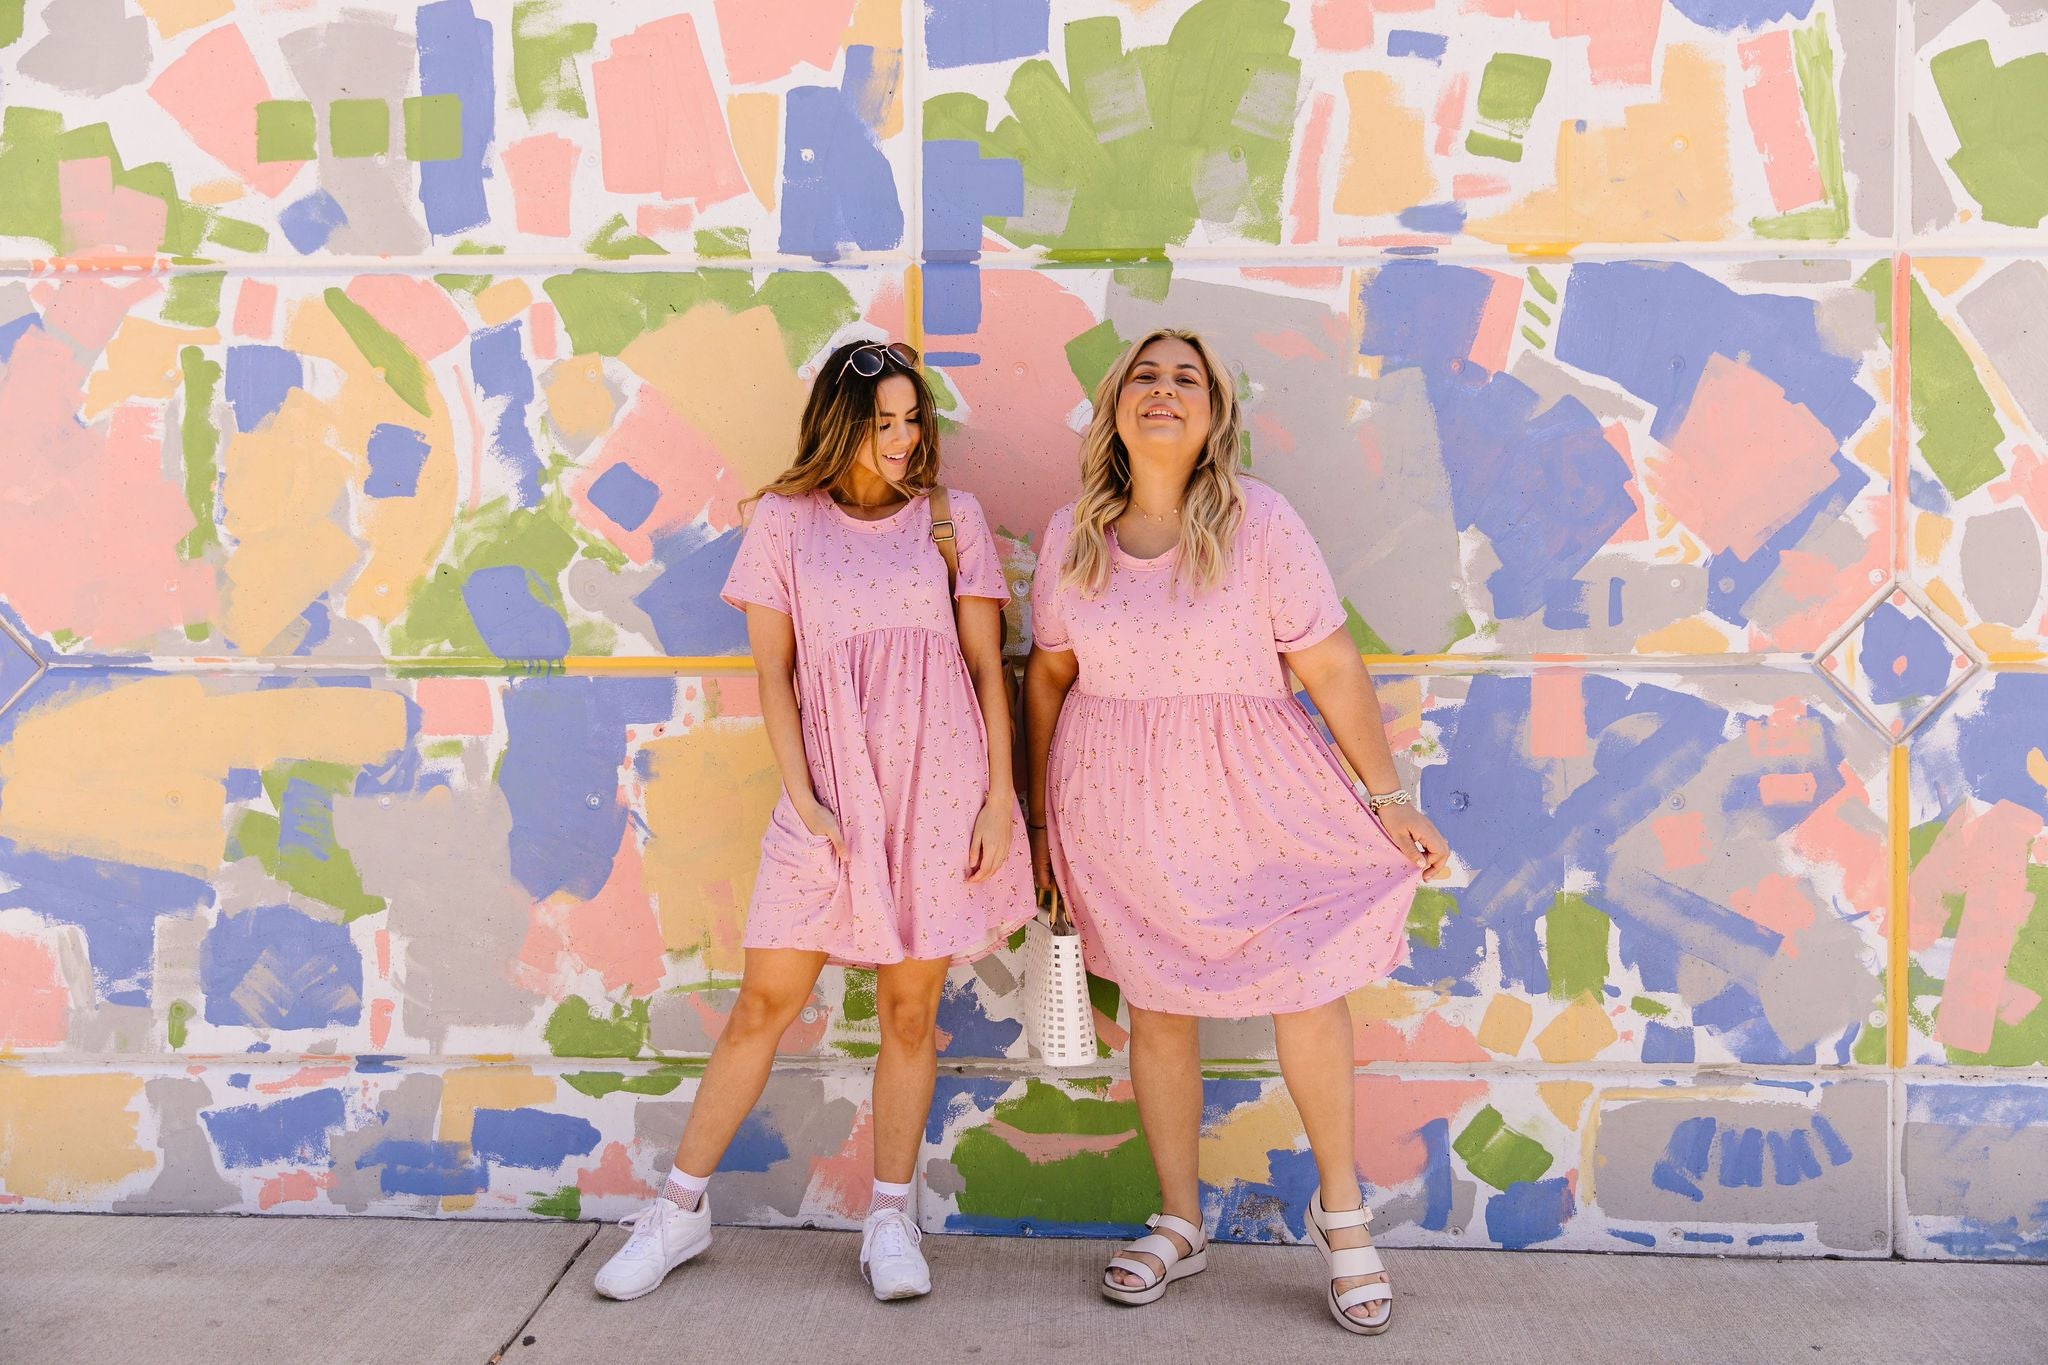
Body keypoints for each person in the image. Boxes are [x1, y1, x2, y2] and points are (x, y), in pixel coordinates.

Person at [1023, 328, 1451, 1336]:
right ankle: (1179, 1219)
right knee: (1158, 1008)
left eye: (1187, 380)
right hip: (1116, 805)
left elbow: (1331, 665)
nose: (1163, 390)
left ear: (1213, 414)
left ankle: (1341, 1214)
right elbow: (1046, 675)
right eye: (1145, 375)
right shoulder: (1070, 533)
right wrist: (1042, 815)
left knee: (1305, 990)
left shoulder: (1259, 522)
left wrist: (1388, 800)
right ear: (1115, 405)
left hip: (1254, 801)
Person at [595, 338, 1033, 1303]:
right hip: (831, 791)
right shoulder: (787, 525)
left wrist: (999, 796)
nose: (907, 439)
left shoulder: (953, 520)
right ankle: (678, 1209)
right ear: (841, 424)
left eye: (915, 420)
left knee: (910, 1011)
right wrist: (804, 797)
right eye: (885, 423)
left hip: (937, 787)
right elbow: (774, 676)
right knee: (764, 1003)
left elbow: (983, 670)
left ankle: (888, 1215)